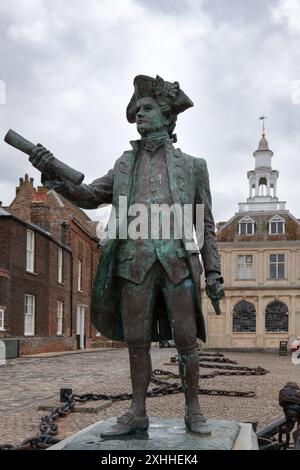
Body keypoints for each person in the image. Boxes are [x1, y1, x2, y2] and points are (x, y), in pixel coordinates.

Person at [29, 74, 224, 438]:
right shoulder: (123, 165)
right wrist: (51, 171)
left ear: (167, 116)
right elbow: (88, 195)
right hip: (133, 264)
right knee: (136, 341)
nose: (139, 115)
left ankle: (193, 409)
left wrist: (213, 272)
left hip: (178, 263)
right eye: (136, 110)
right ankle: (137, 412)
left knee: (186, 339)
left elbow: (207, 224)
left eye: (147, 109)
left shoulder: (194, 166)